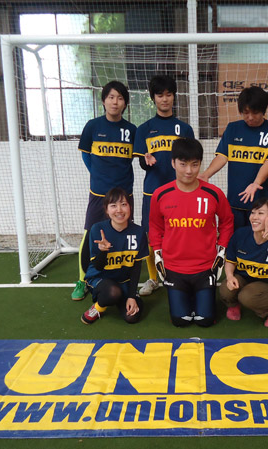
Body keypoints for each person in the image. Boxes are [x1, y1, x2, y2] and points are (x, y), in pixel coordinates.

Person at [148, 138, 234, 327]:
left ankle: (198, 296)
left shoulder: (214, 193)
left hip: (205, 267)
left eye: (194, 164)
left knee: (205, 321)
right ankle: (186, 296)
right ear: (173, 163)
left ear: (200, 164)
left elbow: (227, 222)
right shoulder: (160, 195)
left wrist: (221, 251)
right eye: (183, 164)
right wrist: (158, 254)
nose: (189, 170)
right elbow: (155, 227)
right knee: (181, 321)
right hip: (174, 267)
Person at [72, 81, 137, 302]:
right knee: (89, 234)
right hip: (98, 193)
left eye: (120, 98)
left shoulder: (132, 130)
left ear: (125, 103)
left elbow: (134, 158)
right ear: (103, 100)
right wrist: (98, 174)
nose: (115, 102)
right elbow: (86, 155)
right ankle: (82, 280)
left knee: (124, 235)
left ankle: (125, 279)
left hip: (124, 193)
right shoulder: (92, 126)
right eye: (111, 97)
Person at [133, 75, 195, 297]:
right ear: (153, 98)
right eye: (160, 95)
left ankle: (181, 274)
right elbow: (142, 161)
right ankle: (153, 278)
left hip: (180, 192)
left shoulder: (184, 129)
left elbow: (191, 160)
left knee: (181, 233)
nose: (165, 99)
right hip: (152, 192)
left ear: (174, 96)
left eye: (169, 94)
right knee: (151, 237)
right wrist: (146, 160)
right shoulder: (144, 129)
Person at [198, 86, 268, 230]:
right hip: (235, 201)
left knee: (262, 240)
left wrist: (255, 183)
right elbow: (222, 157)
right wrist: (206, 174)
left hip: (262, 202)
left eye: (255, 113)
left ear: (263, 110)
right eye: (245, 113)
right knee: (235, 240)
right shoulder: (232, 128)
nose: (250, 117)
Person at [220, 198, 268, 327]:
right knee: (226, 289)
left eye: (261, 213)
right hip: (243, 279)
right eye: (253, 213)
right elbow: (230, 261)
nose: (254, 217)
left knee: (247, 296)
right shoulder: (240, 234)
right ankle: (234, 304)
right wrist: (230, 277)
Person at [81, 187, 147, 325]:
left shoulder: (139, 232)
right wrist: (103, 251)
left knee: (132, 317)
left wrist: (131, 296)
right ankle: (98, 307)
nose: (119, 210)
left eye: (123, 204)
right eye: (113, 205)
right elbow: (98, 266)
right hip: (100, 278)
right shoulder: (97, 229)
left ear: (130, 207)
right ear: (106, 209)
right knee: (112, 292)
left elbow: (136, 268)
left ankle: (122, 298)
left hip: (124, 282)